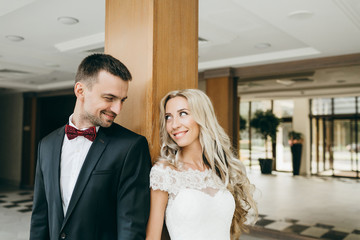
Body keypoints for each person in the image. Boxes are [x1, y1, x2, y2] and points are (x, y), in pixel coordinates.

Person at [30, 53, 151, 240]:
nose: (117, 109)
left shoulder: (131, 147)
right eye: (109, 98)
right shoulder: (46, 145)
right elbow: (40, 216)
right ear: (80, 91)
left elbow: (131, 226)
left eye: (122, 100)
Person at [146, 89, 257, 240]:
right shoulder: (164, 173)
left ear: (202, 117)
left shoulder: (220, 169)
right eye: (168, 117)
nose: (174, 125)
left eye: (183, 113)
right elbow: (152, 237)